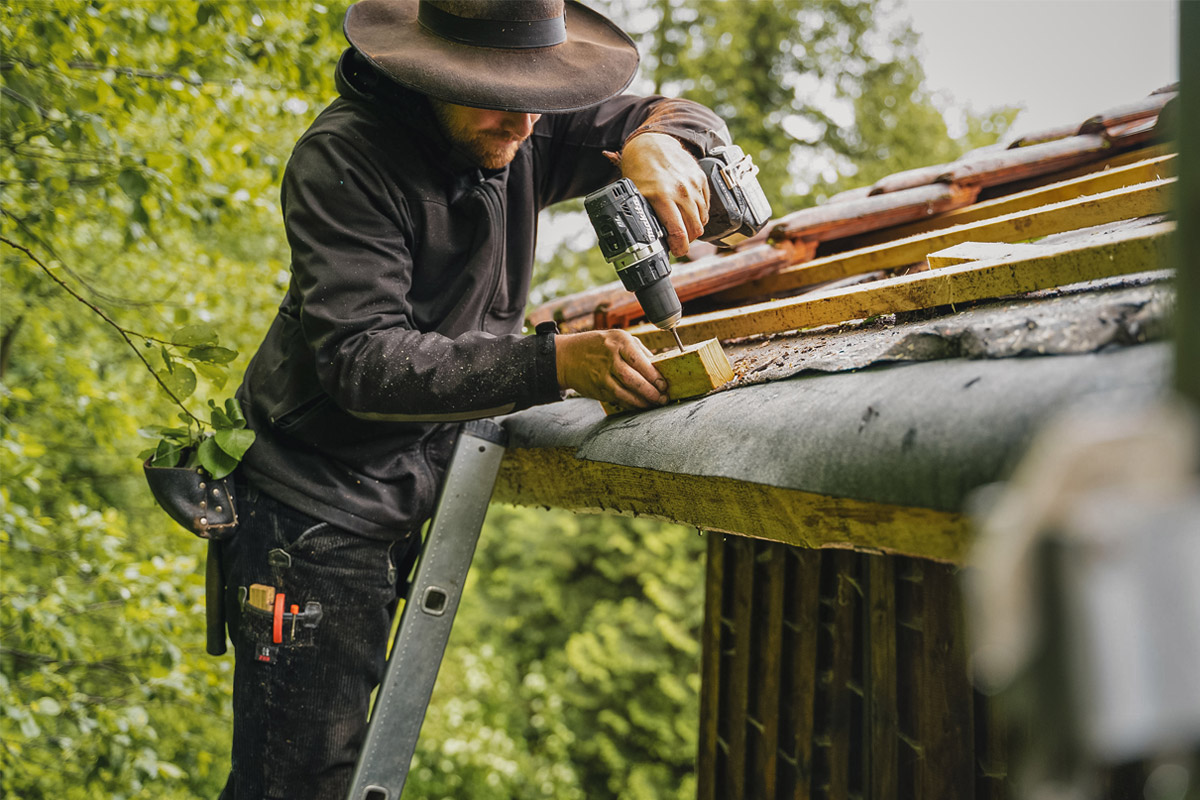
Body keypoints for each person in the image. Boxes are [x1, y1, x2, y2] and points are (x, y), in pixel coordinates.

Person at [219, 0, 730, 797]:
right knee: (299, 783)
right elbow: (365, 361)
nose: (524, 127)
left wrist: (659, 140)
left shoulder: (517, 116)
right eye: (498, 96)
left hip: (402, 490)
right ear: (432, 73)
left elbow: (677, 111)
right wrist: (553, 363)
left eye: (536, 98)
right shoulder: (344, 161)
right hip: (312, 510)